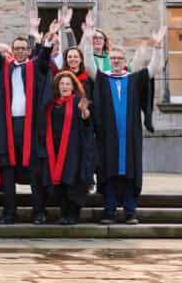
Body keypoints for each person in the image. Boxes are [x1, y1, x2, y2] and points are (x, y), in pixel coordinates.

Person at [84, 18, 164, 225]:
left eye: (120, 58)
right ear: (109, 60)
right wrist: (87, 38)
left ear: (124, 60)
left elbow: (153, 70)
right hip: (108, 137)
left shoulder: (133, 79)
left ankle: (130, 212)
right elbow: (88, 64)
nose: (117, 61)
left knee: (129, 173)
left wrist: (157, 47)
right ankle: (109, 212)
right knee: (109, 174)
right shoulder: (102, 79)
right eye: (114, 58)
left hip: (130, 137)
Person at [0, 15, 56, 225]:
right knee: (8, 172)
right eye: (17, 48)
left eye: (24, 48)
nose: (20, 51)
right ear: (12, 51)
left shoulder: (35, 67)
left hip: (30, 127)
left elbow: (44, 60)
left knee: (35, 172)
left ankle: (39, 212)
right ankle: (9, 213)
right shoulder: (4, 67)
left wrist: (48, 40)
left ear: (29, 51)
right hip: (8, 127)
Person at [36, 71, 95, 225]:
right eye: (62, 83)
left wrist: (85, 113)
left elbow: (87, 124)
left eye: (68, 84)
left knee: (72, 182)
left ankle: (73, 214)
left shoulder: (78, 101)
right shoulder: (52, 103)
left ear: (73, 86)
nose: (64, 86)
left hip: (73, 149)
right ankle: (64, 214)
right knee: (60, 183)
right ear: (57, 86)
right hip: (54, 149)